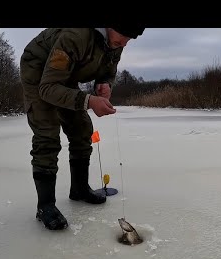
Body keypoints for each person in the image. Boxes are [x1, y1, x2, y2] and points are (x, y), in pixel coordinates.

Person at [19, 27, 145, 231]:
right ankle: (45, 206)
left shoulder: (116, 42)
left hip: (65, 74)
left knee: (81, 128)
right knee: (47, 135)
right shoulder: (74, 35)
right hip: (39, 71)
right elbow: (48, 88)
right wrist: (88, 100)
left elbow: (108, 70)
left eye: (130, 39)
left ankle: (79, 189)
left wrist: (104, 83)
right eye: (124, 37)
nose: (125, 44)